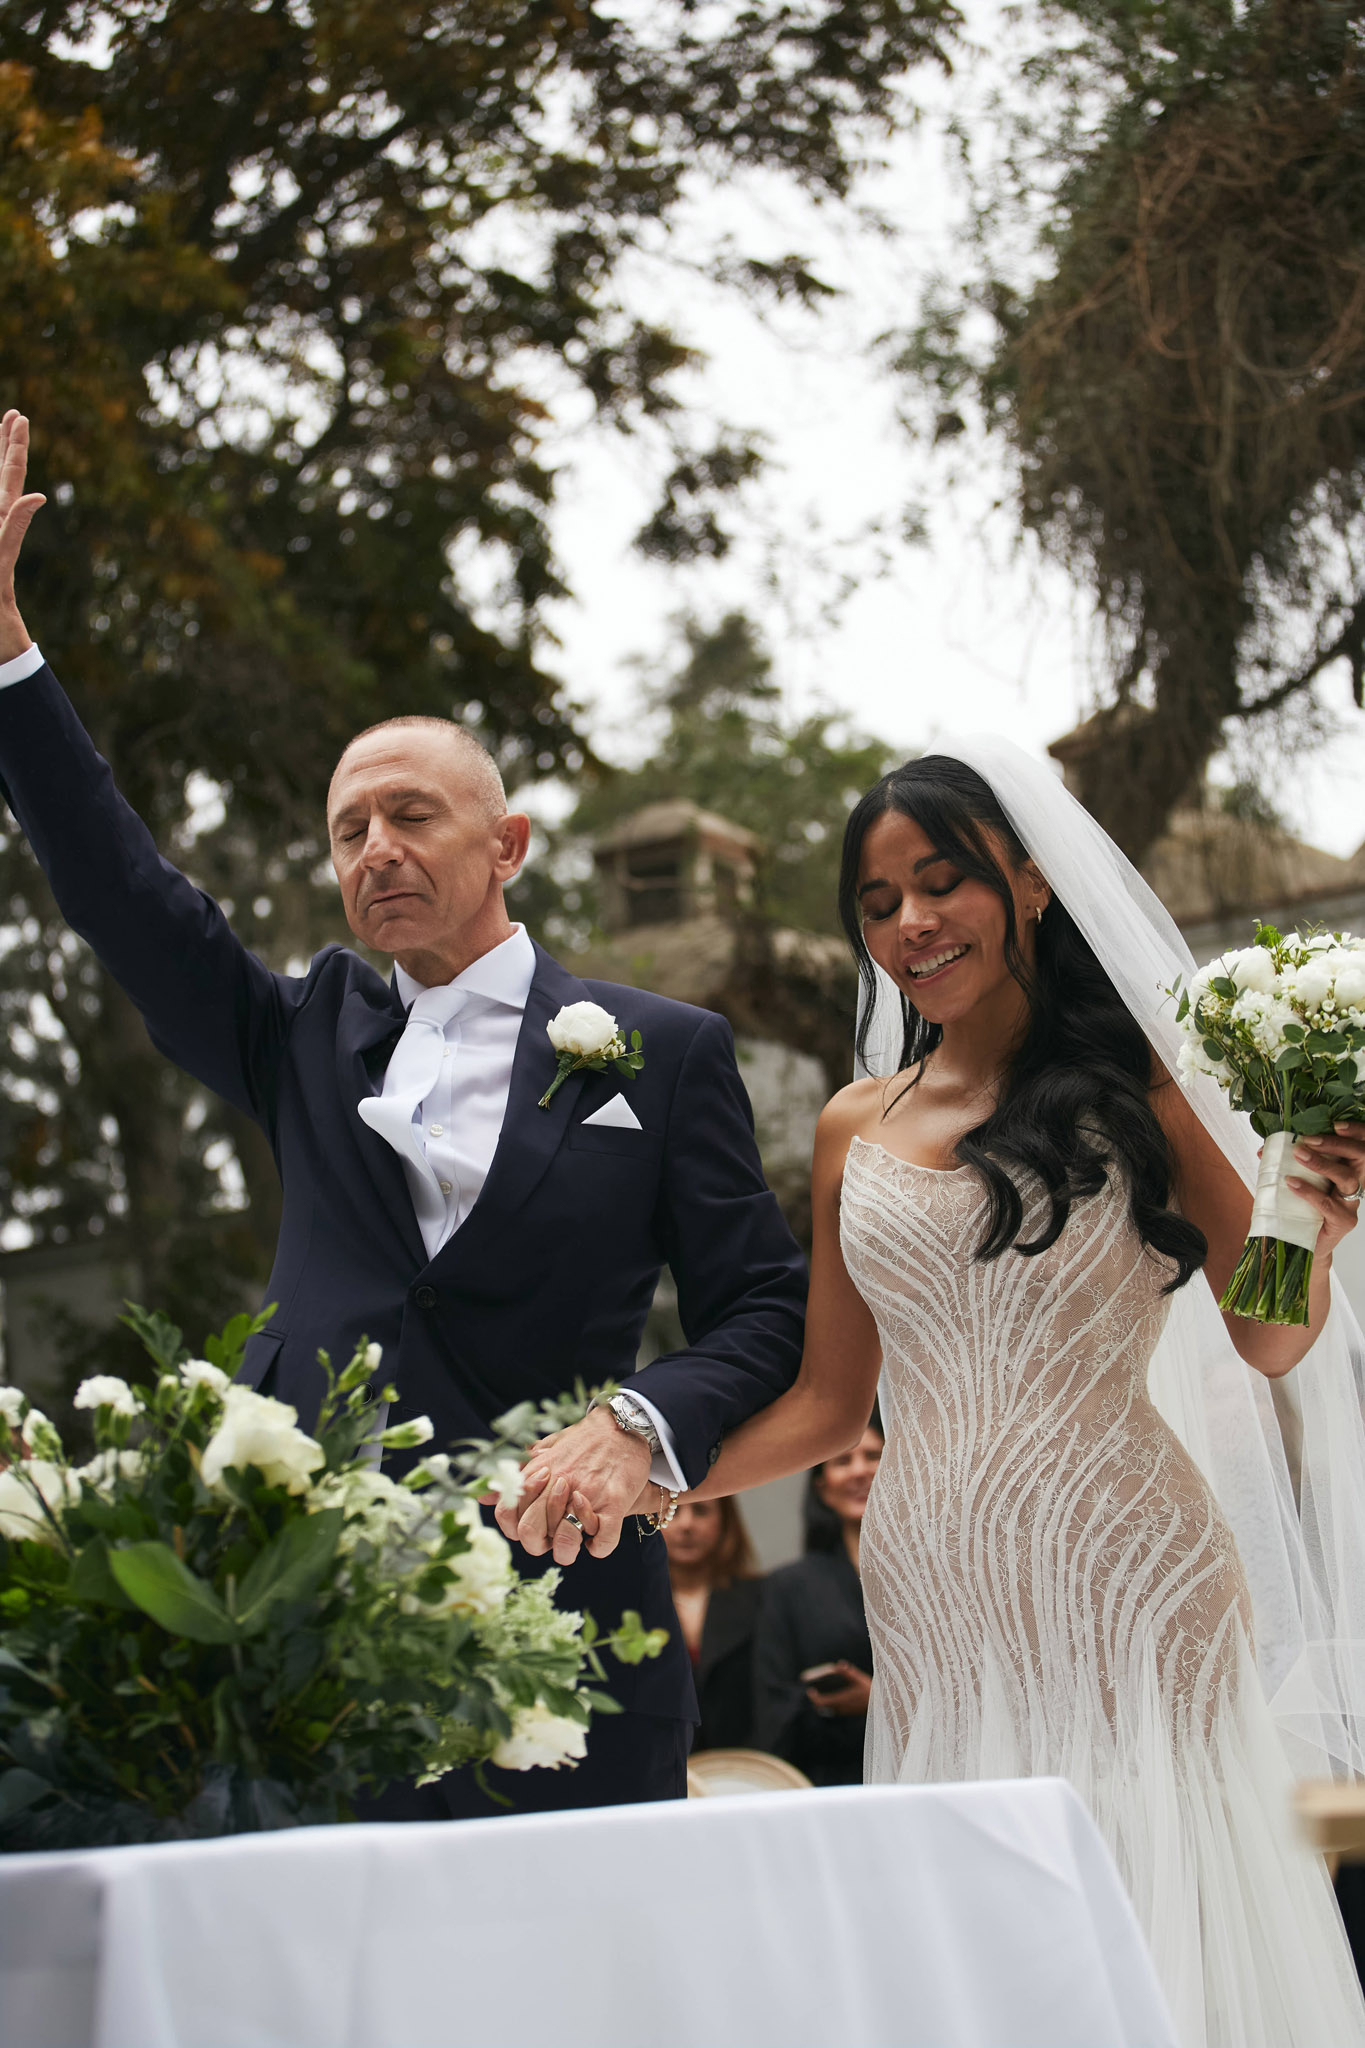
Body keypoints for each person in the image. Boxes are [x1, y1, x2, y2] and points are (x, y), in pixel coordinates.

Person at [0, 411, 807, 1819]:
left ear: (508, 845)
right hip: (315, 1650)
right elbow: (125, 895)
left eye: (411, 815)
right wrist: (11, 661)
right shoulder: (296, 1035)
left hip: (575, 1639)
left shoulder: (664, 1053)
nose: (375, 848)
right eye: (349, 829)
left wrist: (640, 1425)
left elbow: (763, 1308)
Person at [607, 744, 1365, 2045]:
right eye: (878, 901)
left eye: (941, 880)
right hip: (936, 1597)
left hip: (1134, 1577)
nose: (910, 920)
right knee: (982, 1942)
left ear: (1029, 881)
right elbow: (828, 1405)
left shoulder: (1145, 1082)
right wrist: (656, 1470)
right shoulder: (851, 1124)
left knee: (1155, 1910)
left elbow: (1264, 1338)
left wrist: (1313, 1221)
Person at [751, 1425, 880, 1785]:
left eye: (873, 1456)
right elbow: (772, 1708)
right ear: (822, 1488)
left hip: (926, 1774)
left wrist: (880, 1702)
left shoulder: (937, 1578)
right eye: (843, 1461)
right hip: (828, 1783)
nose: (859, 1471)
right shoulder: (789, 1587)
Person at [662, 1497, 762, 1752]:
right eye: (672, 1511)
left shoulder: (765, 1597)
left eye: (701, 1510)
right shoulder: (630, 1603)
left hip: (746, 1764)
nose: (686, 1525)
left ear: (725, 1520)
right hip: (660, 1763)